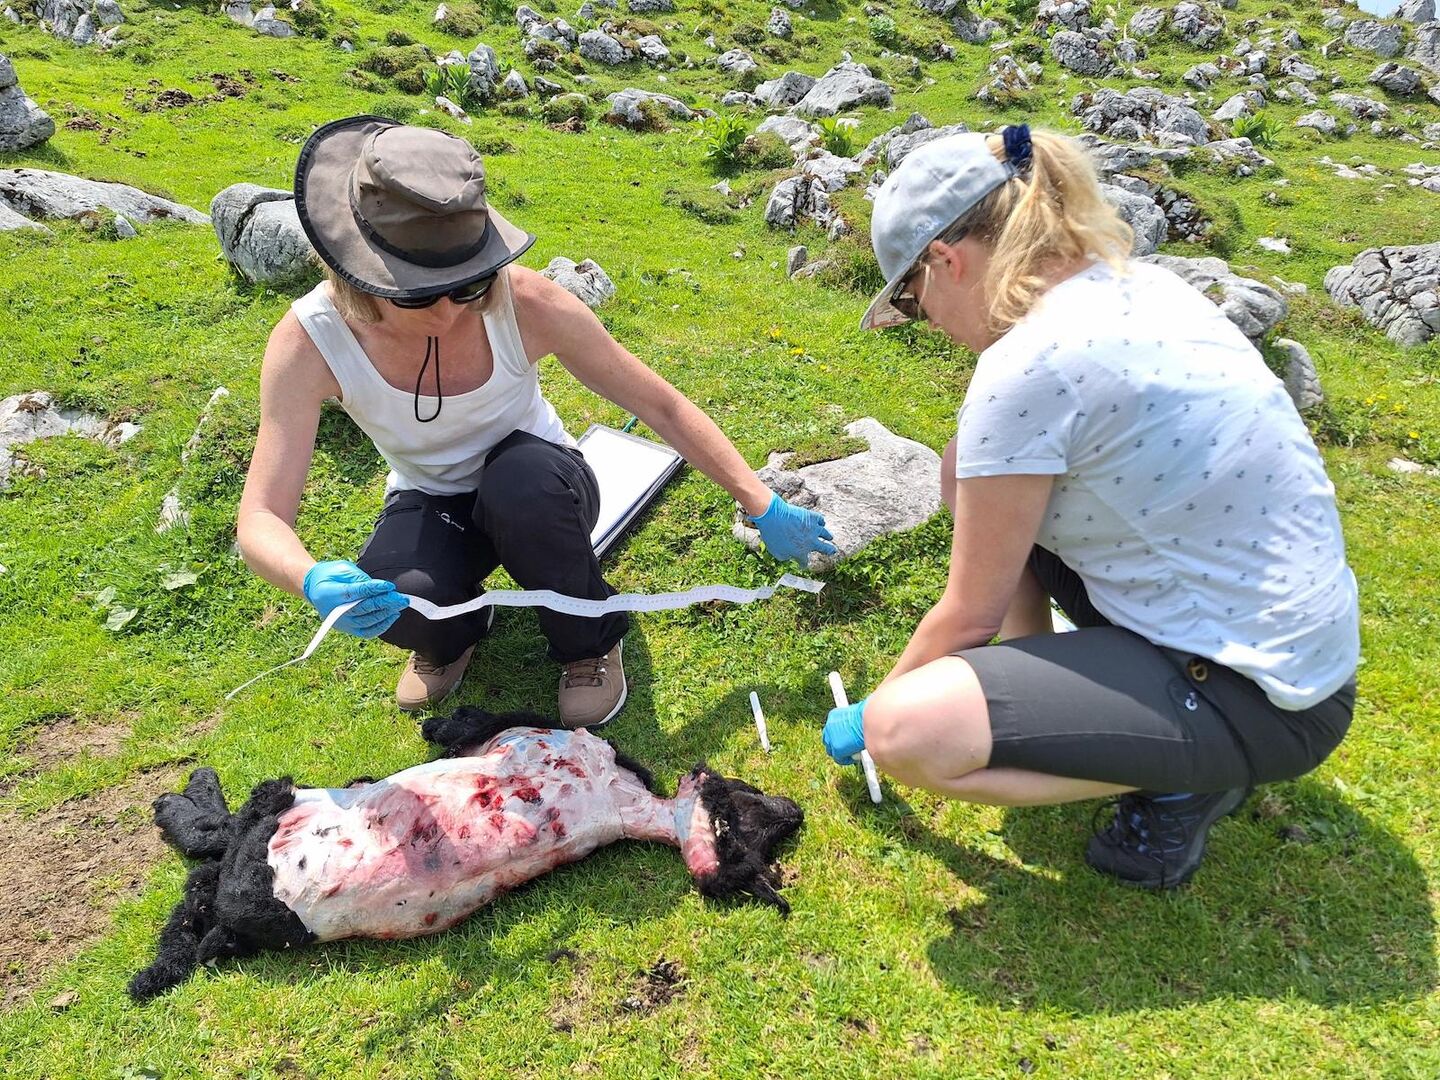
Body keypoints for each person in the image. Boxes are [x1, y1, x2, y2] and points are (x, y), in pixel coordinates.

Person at [821, 126, 1359, 890]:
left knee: (907, 729)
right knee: (961, 472)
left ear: (946, 261)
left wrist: (874, 714)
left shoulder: (1027, 365)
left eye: (911, 301)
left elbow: (965, 616)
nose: (927, 322)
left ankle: (1188, 779)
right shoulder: (1139, 283)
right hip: (1294, 651)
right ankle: (1058, 702)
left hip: (1264, 696)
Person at [237, 116, 834, 722]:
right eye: (418, 294)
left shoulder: (525, 302)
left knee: (518, 484)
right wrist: (308, 576)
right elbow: (260, 517)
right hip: (431, 497)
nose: (447, 314)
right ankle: (456, 631)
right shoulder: (310, 342)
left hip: (543, 485)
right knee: (407, 600)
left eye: (466, 285)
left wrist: (762, 502)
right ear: (358, 272)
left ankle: (591, 642)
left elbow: (659, 404)